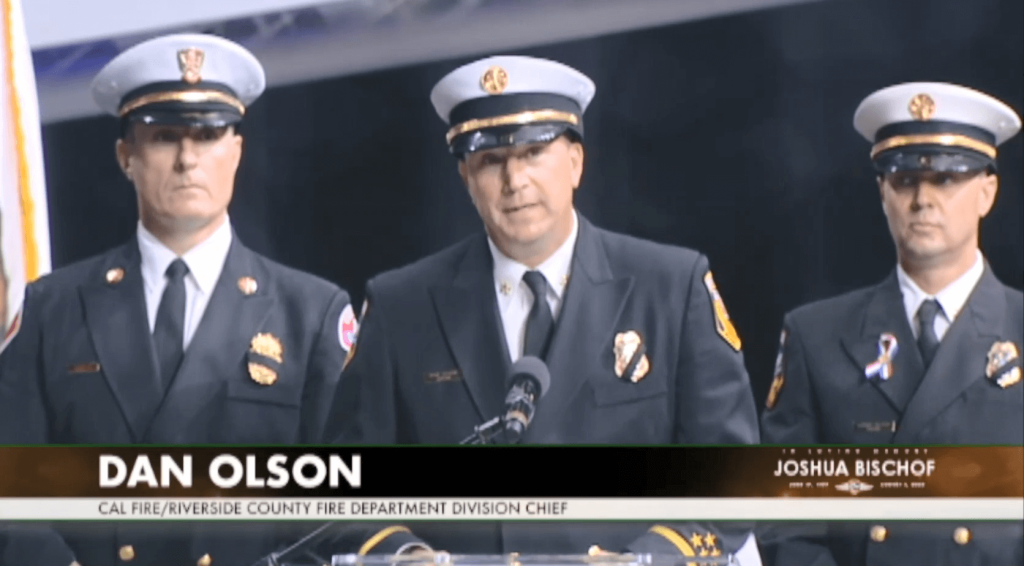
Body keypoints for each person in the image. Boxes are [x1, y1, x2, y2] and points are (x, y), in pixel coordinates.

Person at [322, 55, 763, 563]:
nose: (514, 181)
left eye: (533, 153)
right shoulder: (401, 305)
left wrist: (648, 559)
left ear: (575, 162)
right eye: (491, 161)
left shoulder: (670, 286)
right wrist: (405, 555)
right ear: (466, 175)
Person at [0, 33, 358, 566]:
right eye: (166, 136)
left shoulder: (311, 314)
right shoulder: (52, 309)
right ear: (127, 156)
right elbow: (12, 490)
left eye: (209, 135)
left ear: (236, 151)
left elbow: (338, 508)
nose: (188, 158)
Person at [758, 82, 1023, 565]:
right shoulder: (816, 337)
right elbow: (785, 516)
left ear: (987, 192)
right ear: (882, 192)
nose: (922, 198)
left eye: (945, 179)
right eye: (903, 181)